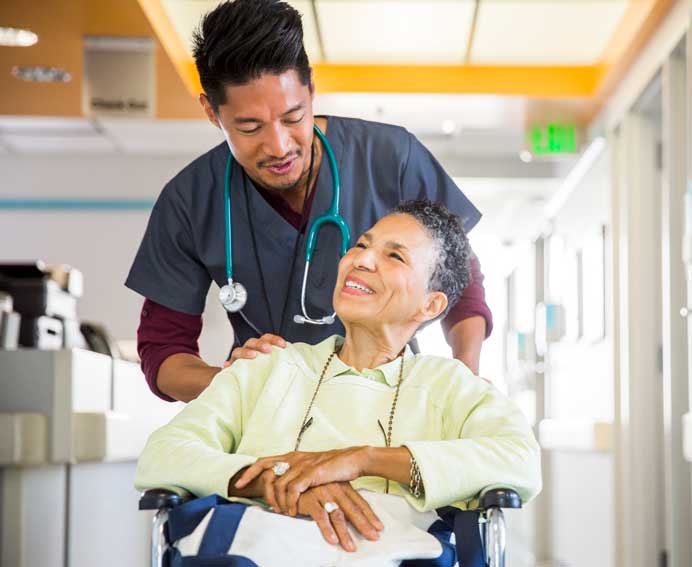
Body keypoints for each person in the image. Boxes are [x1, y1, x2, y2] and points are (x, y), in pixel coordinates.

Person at [125, 0, 493, 404]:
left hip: (388, 405)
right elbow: (162, 351)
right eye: (250, 127)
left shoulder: (391, 159)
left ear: (311, 90)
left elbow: (460, 276)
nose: (279, 146)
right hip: (263, 421)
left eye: (292, 117)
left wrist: (465, 375)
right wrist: (238, 386)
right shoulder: (189, 201)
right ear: (212, 112)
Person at [134, 201, 541, 559]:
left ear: (429, 304)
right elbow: (163, 453)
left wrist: (359, 459)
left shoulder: (447, 384)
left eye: (395, 257)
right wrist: (278, 481)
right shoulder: (268, 367)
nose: (361, 261)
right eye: (361, 245)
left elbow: (520, 460)